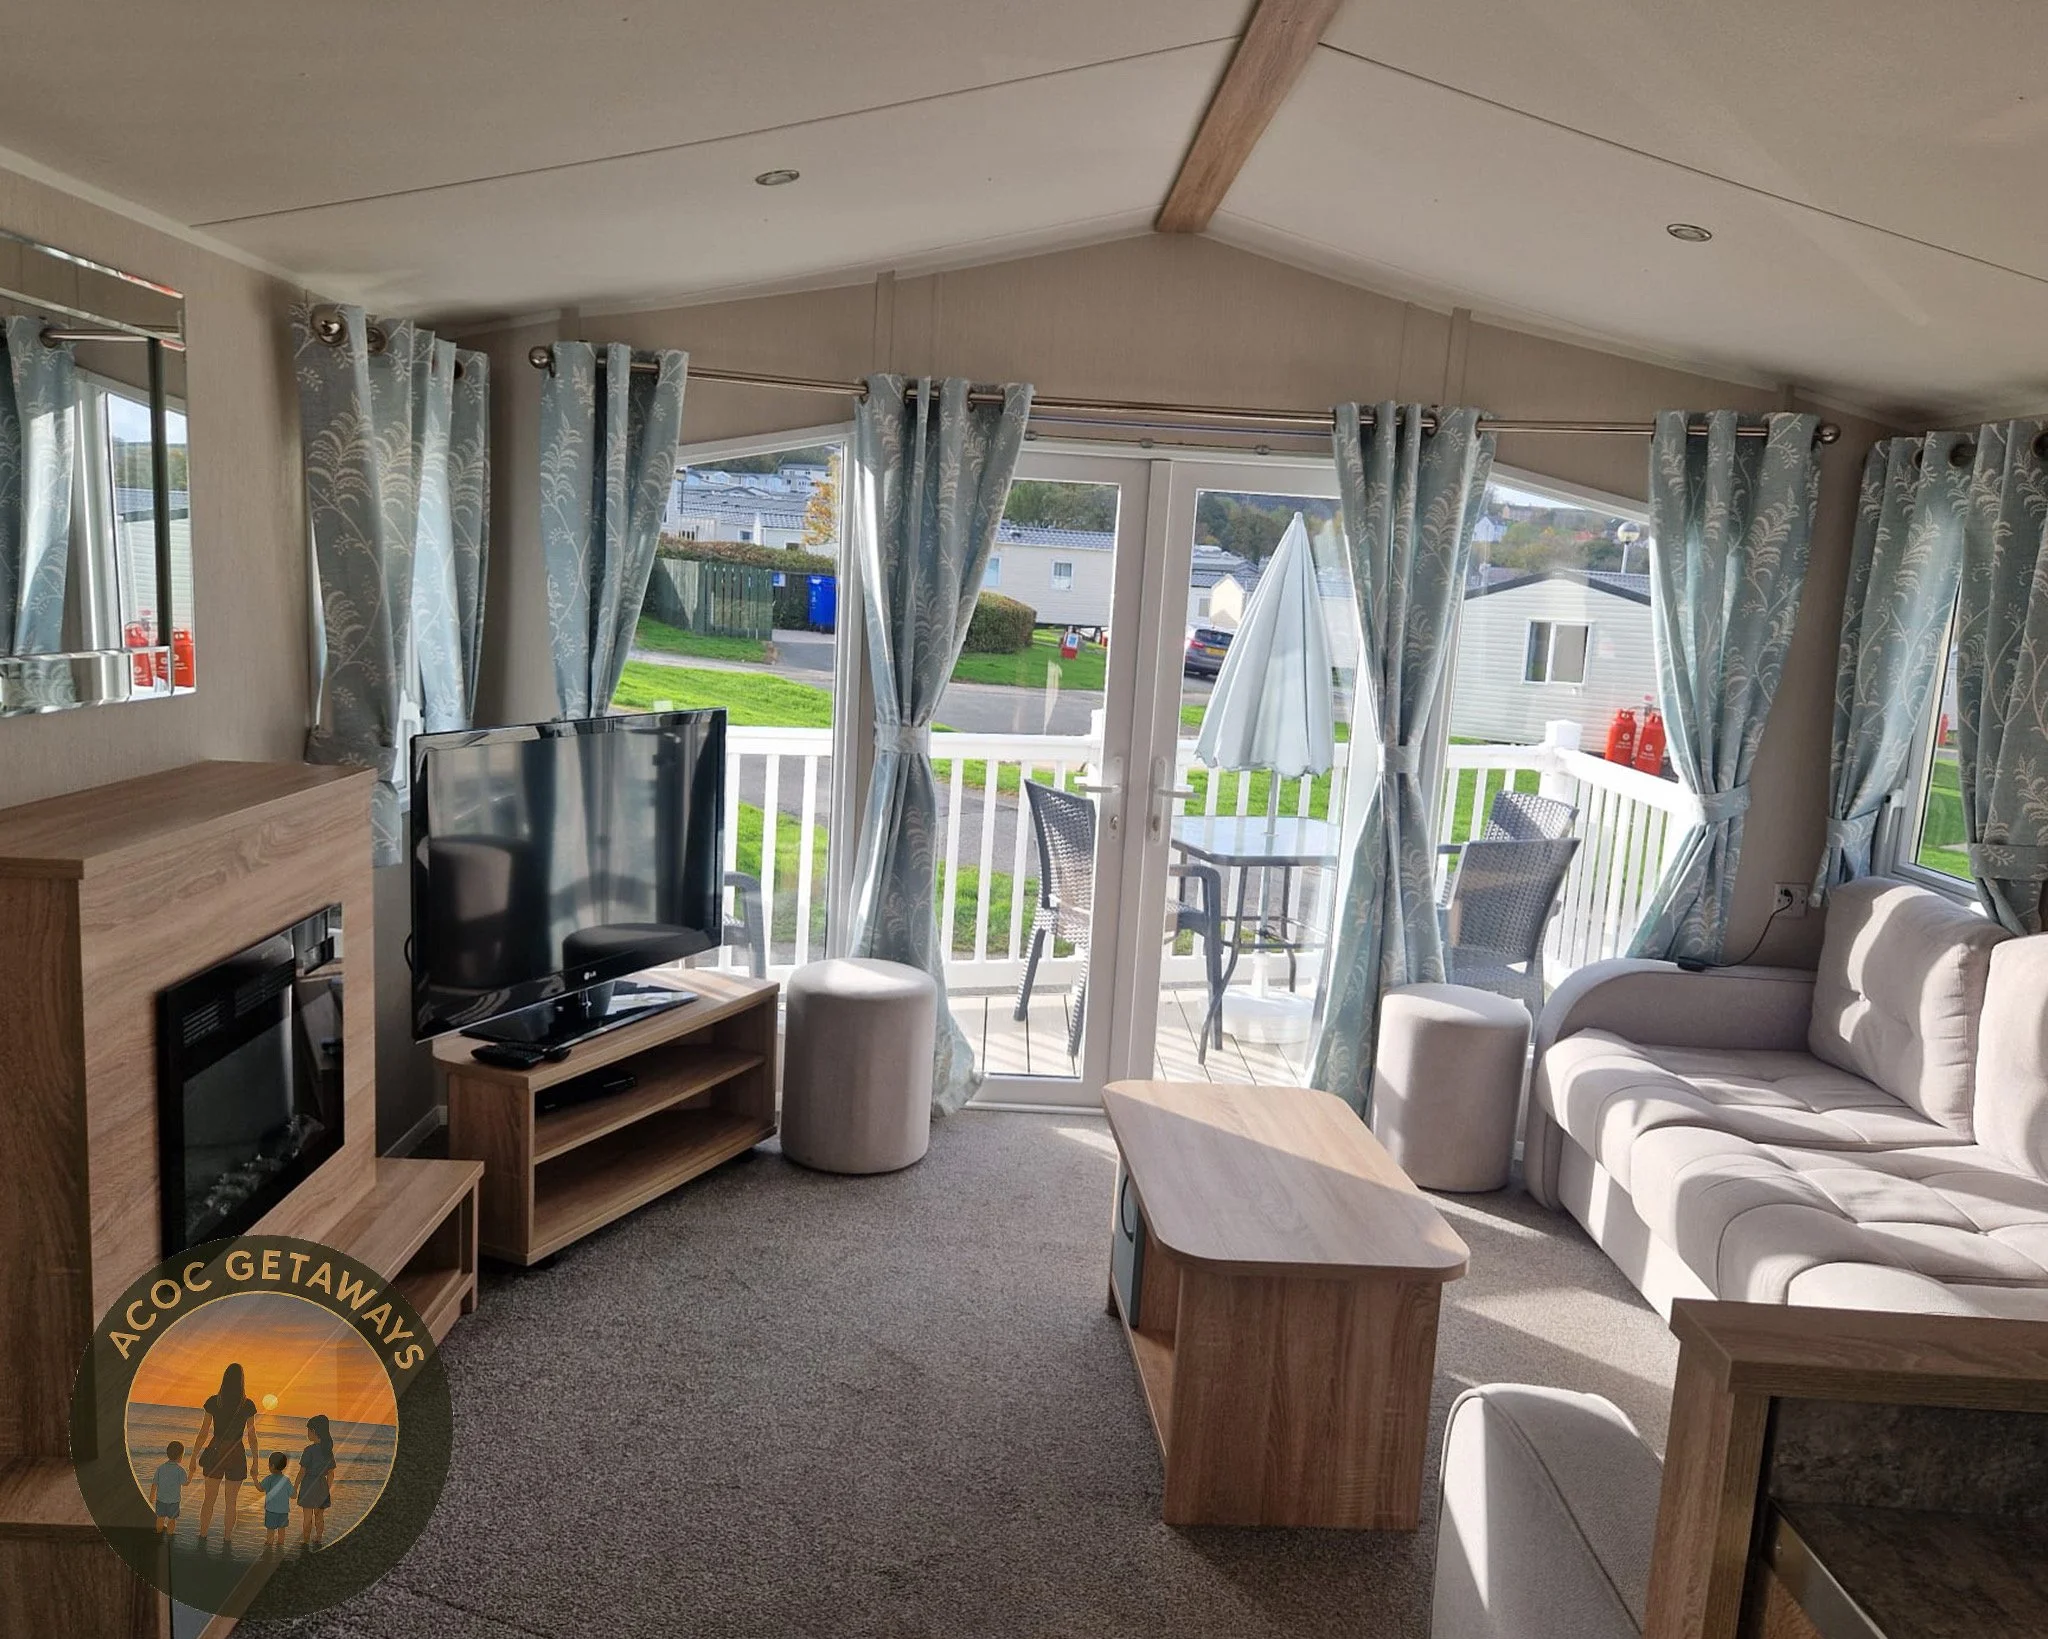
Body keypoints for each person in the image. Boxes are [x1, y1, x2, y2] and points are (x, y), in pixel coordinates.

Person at [188, 1362, 261, 1546]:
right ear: (242, 1380)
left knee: (209, 1499)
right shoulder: (247, 1404)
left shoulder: (214, 1401)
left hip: (215, 1450)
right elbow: (252, 1437)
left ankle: (203, 1536)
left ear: (224, 1378)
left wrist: (193, 1457)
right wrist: (255, 1462)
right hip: (236, 1453)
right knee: (231, 1502)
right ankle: (227, 1540)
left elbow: (204, 1432)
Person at [295, 1414, 339, 1550]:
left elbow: (302, 1471)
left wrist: (295, 1486)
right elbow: (331, 1473)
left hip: (308, 1485)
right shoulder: (328, 1451)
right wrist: (327, 1488)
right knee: (319, 1515)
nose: (307, 1433)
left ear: (314, 1431)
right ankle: (318, 1538)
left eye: (308, 1430)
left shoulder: (309, 1450)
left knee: (307, 1516)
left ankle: (306, 1540)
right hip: (322, 1485)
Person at [256, 1452, 293, 1553]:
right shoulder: (286, 1480)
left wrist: (255, 1478)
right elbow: (293, 1495)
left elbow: (260, 1488)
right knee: (282, 1530)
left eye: (269, 1464)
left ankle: (269, 1545)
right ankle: (280, 1546)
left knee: (270, 1530)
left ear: (272, 1466)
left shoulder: (269, 1479)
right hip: (284, 1511)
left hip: (271, 1510)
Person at [151, 1440, 187, 1535]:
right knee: (172, 1520)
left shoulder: (160, 1468)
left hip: (161, 1499)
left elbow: (154, 1483)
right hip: (174, 1501)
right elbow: (185, 1483)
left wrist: (151, 1498)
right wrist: (191, 1473)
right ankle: (170, 1535)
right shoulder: (180, 1470)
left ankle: (158, 1533)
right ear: (180, 1456)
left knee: (160, 1518)